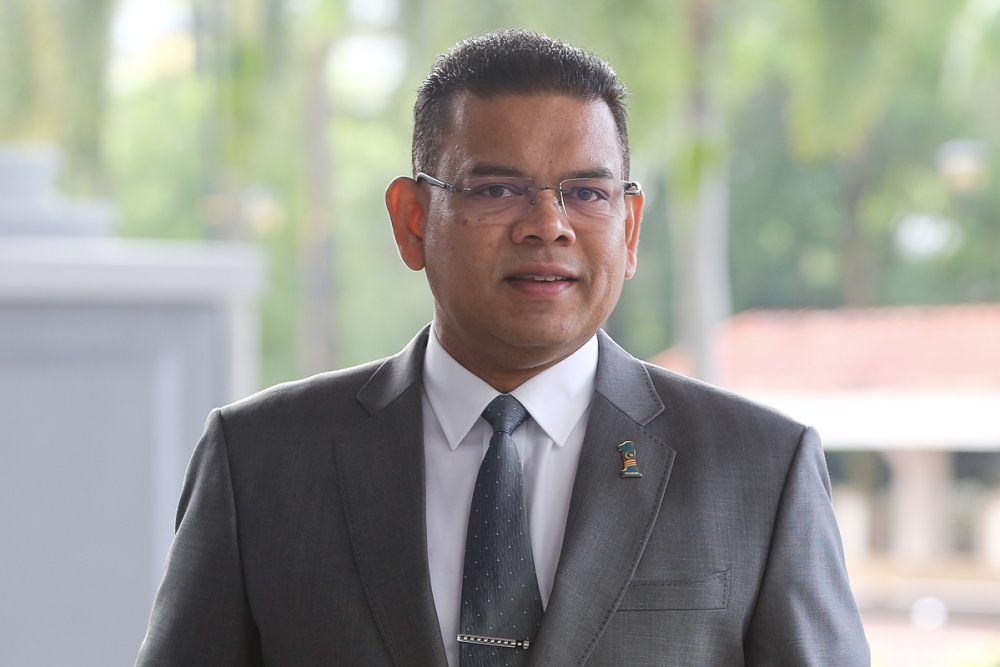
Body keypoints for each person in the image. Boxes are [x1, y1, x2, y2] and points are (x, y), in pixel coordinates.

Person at [136, 29, 869, 667]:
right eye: (497, 190)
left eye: (586, 192)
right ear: (413, 219)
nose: (547, 225)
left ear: (631, 225)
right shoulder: (260, 459)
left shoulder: (759, 469)